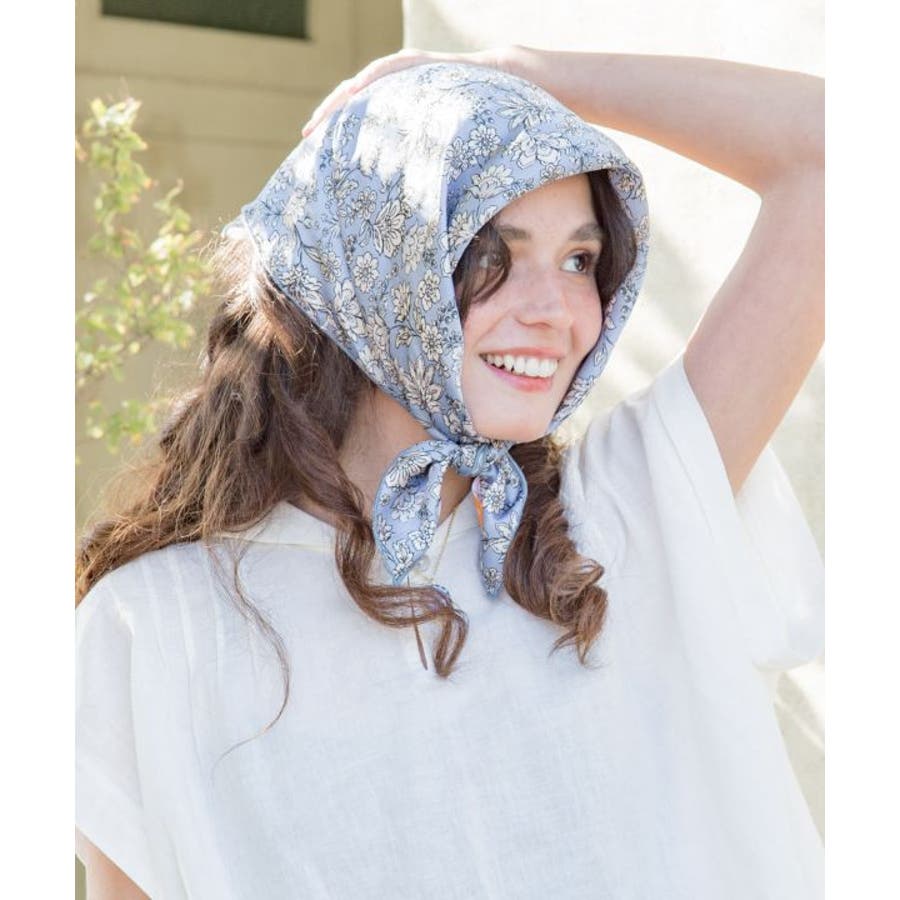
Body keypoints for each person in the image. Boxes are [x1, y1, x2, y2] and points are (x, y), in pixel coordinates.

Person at [75, 46, 824, 899]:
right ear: (373, 266)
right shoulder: (155, 626)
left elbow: (837, 148)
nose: (557, 312)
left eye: (580, 261)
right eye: (492, 253)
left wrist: (522, 75)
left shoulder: (628, 511)